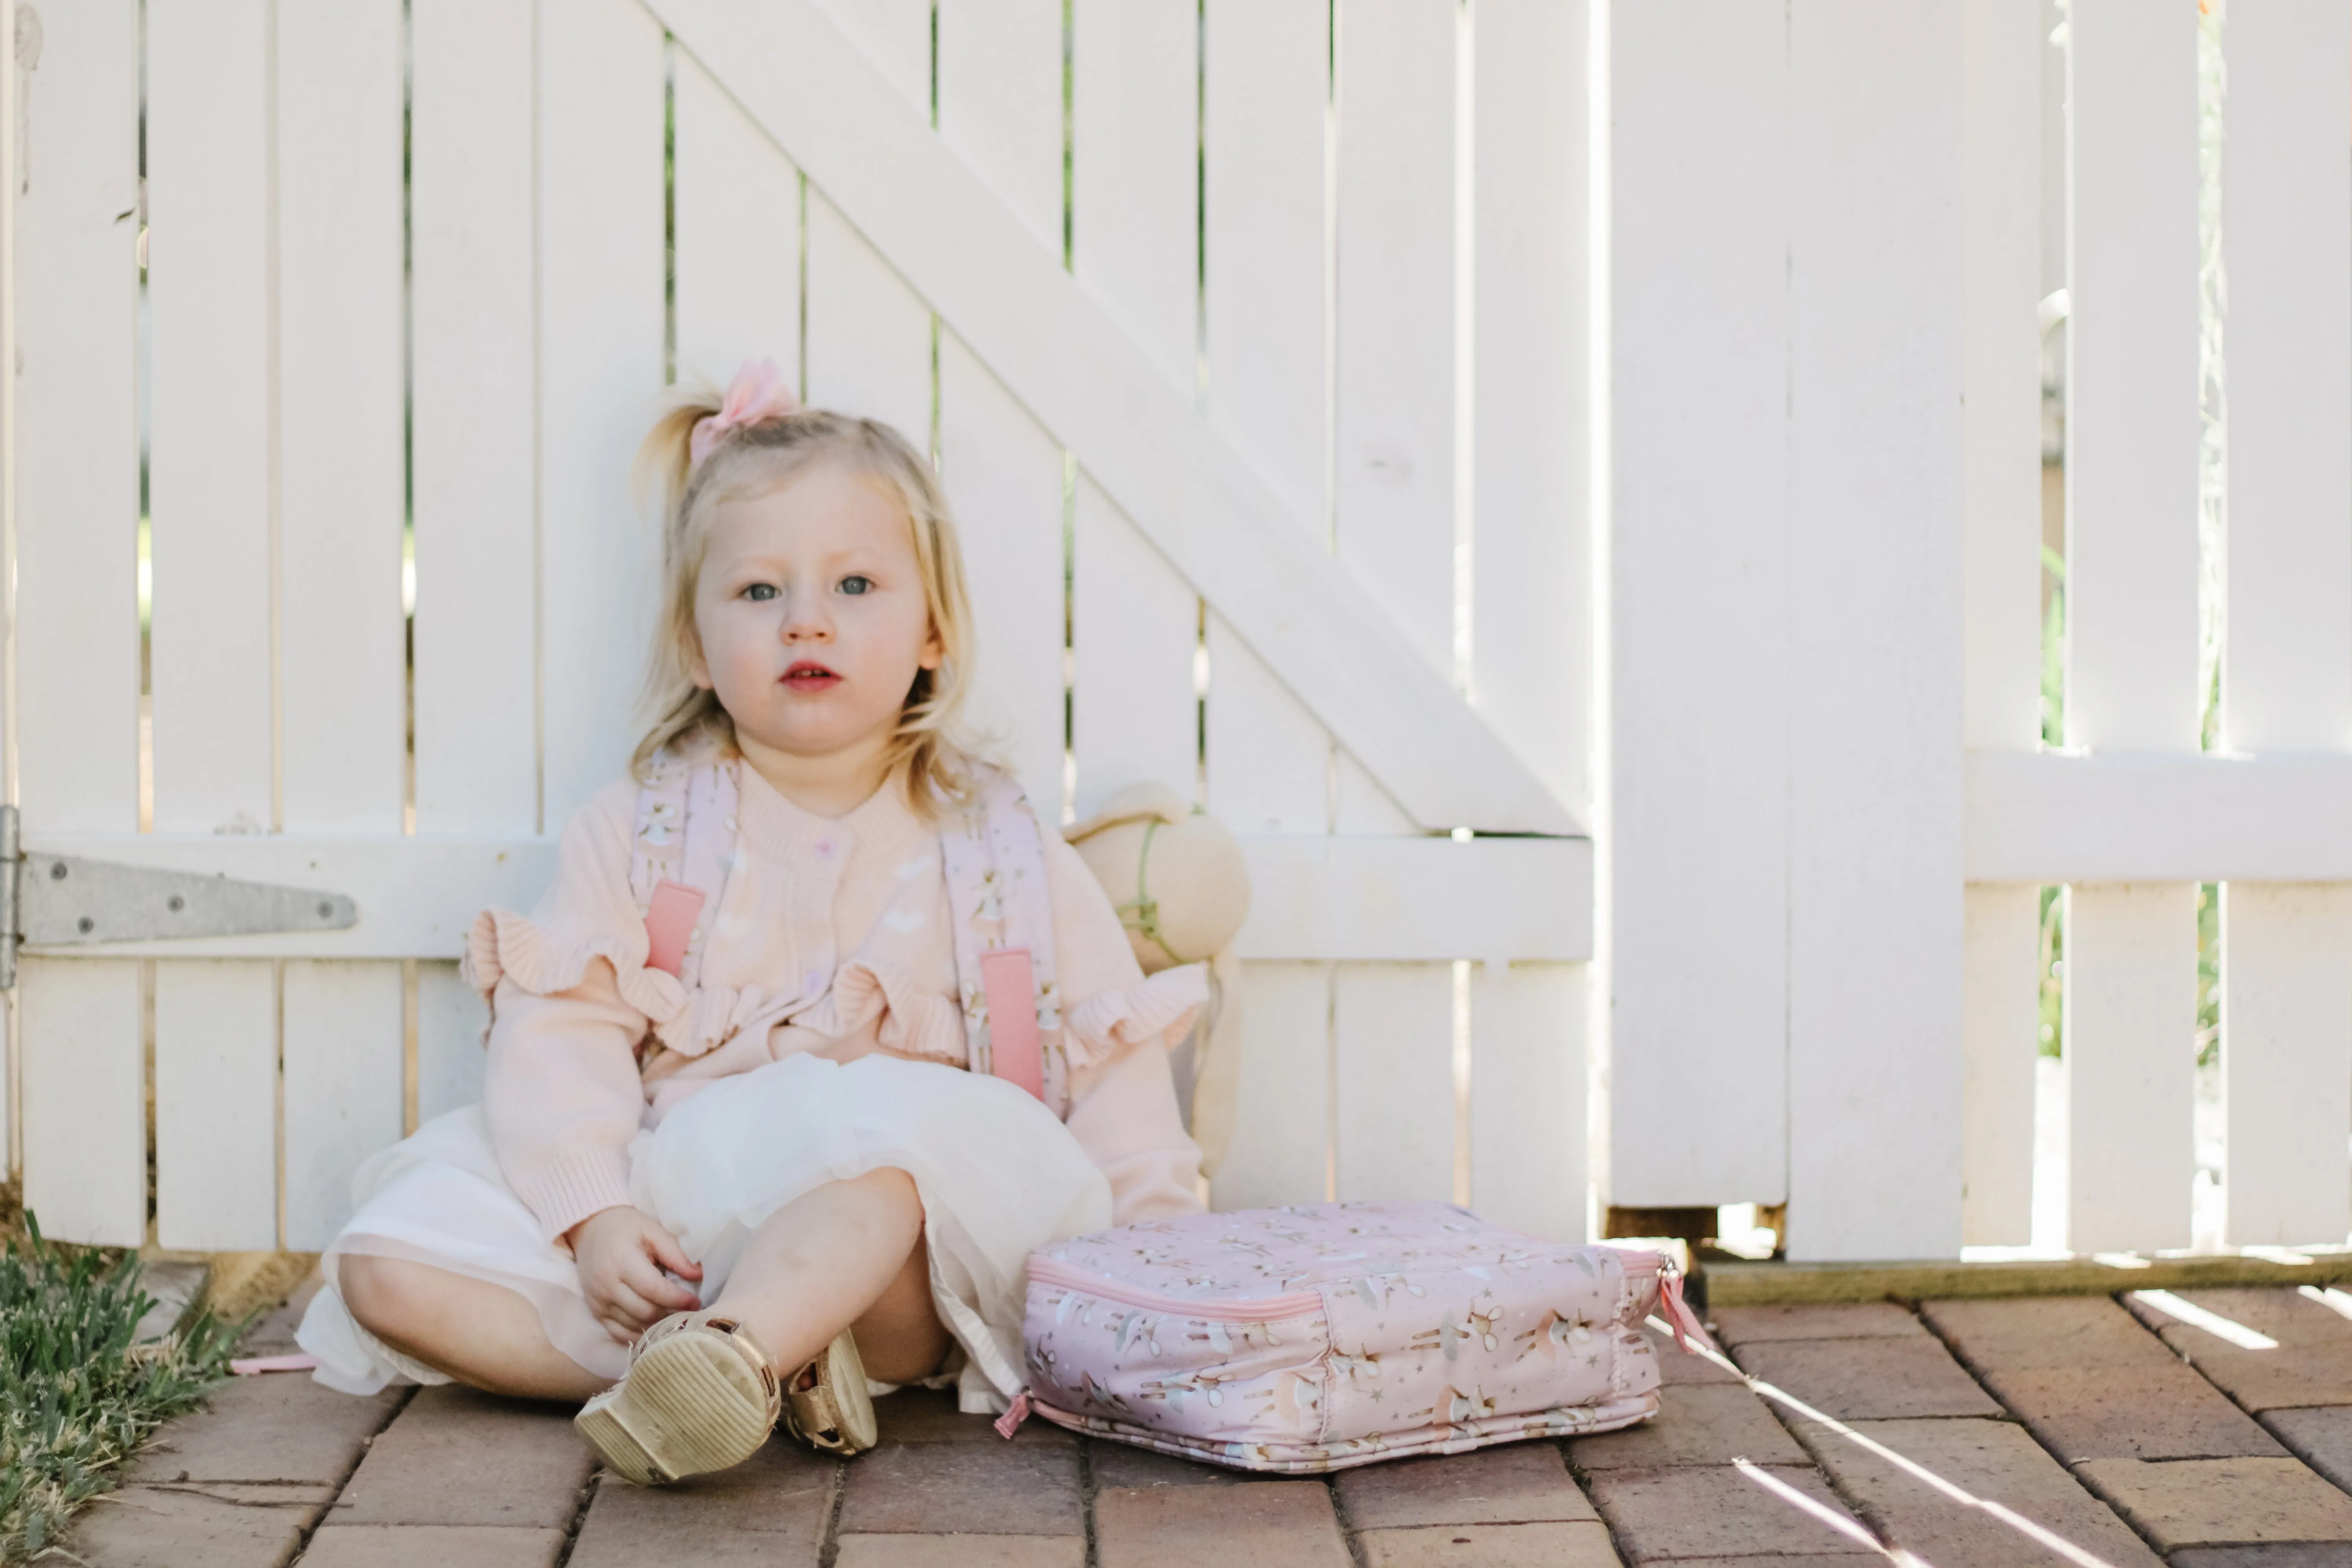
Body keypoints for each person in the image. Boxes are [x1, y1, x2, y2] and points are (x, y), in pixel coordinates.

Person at [296, 358, 1207, 1485]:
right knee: (386, 1265)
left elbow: (1113, 1068)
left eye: (856, 587)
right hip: (683, 1211)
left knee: (879, 1177)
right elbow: (559, 1035)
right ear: (694, 642)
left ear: (935, 630)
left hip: (911, 1246)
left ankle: (741, 1356)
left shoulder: (1001, 847)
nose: (806, 620)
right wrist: (598, 1219)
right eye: (760, 592)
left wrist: (1162, 1270)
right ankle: (724, 1370)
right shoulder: (644, 830)